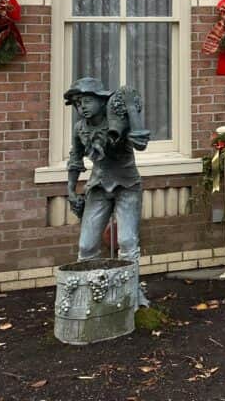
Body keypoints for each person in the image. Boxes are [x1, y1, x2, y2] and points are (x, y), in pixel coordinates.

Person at [65, 78, 151, 303]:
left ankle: (130, 295)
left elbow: (141, 142)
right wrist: (71, 190)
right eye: (77, 102)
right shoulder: (80, 128)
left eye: (86, 100)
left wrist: (131, 108)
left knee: (127, 242)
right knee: (86, 245)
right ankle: (88, 295)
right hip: (98, 187)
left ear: (102, 101)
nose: (81, 106)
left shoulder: (118, 121)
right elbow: (75, 159)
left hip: (127, 185)